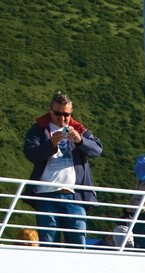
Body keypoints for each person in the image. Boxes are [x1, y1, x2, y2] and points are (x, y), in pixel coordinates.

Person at [22, 91, 103, 247]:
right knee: (49, 243)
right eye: (58, 113)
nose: (63, 118)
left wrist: (80, 141)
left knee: (78, 243)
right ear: (50, 110)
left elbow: (97, 150)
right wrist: (50, 144)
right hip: (46, 194)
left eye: (66, 114)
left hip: (75, 195)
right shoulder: (39, 129)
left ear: (71, 113)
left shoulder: (79, 129)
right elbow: (30, 153)